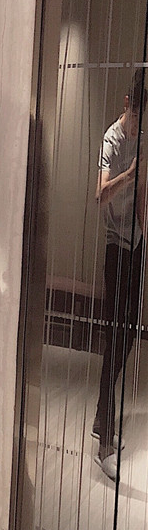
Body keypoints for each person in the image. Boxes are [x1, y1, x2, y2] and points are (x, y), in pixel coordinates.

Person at [92, 68, 147, 481]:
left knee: (128, 334)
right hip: (116, 247)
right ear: (128, 104)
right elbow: (100, 194)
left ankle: (102, 418)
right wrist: (131, 173)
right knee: (115, 337)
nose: (139, 125)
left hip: (137, 245)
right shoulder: (112, 139)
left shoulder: (144, 138)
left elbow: (142, 198)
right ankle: (104, 441)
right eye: (138, 116)